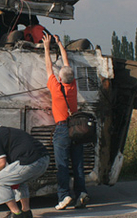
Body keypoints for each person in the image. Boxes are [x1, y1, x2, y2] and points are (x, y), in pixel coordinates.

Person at [42, 33, 90, 210]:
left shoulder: (56, 87)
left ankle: (64, 196)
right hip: (77, 128)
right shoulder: (73, 85)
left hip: (62, 129)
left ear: (60, 78)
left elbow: (48, 66)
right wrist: (60, 44)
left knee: (62, 165)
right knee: (77, 164)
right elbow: (67, 62)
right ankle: (81, 193)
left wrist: (47, 47)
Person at [0, 118, 50, 218]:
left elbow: (1, 163)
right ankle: (26, 211)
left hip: (30, 162)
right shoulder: (13, 131)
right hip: (44, 160)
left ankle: (16, 213)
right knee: (18, 180)